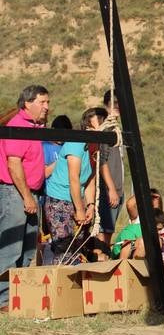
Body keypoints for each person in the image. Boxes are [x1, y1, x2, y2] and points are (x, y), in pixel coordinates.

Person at [0, 85, 49, 308]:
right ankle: (3, 301)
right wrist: (27, 197)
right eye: (42, 102)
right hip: (16, 193)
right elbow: (13, 164)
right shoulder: (18, 126)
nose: (47, 107)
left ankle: (15, 298)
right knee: (10, 248)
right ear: (27, 104)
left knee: (28, 249)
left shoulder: (33, 126)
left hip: (29, 193)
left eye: (47, 102)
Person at [45, 107, 107, 261]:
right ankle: (59, 282)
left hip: (76, 199)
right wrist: (79, 209)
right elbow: (74, 177)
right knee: (64, 247)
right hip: (59, 199)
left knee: (78, 245)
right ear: (88, 127)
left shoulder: (96, 147)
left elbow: (90, 179)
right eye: (100, 123)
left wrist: (90, 205)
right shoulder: (76, 143)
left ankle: (76, 281)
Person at [96, 91, 125, 251]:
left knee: (108, 233)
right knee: (103, 234)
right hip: (110, 190)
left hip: (117, 188)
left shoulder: (116, 129)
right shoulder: (106, 130)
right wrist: (111, 189)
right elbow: (102, 160)